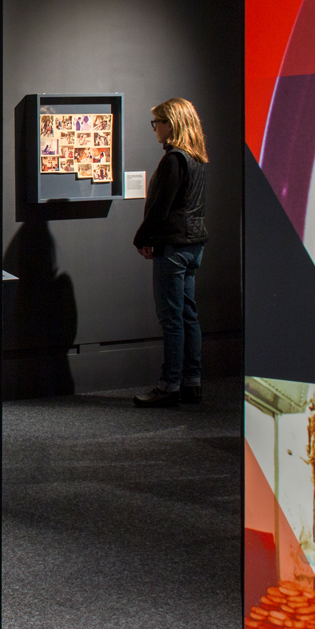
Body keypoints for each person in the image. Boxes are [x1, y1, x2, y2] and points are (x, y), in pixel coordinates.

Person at [132, 97, 209, 408]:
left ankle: (169, 385)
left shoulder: (173, 160)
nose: (155, 130)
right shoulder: (197, 158)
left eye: (157, 123)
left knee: (171, 318)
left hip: (174, 246)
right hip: (193, 245)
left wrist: (141, 237)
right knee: (188, 315)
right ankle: (192, 382)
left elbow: (161, 207)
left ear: (171, 124)